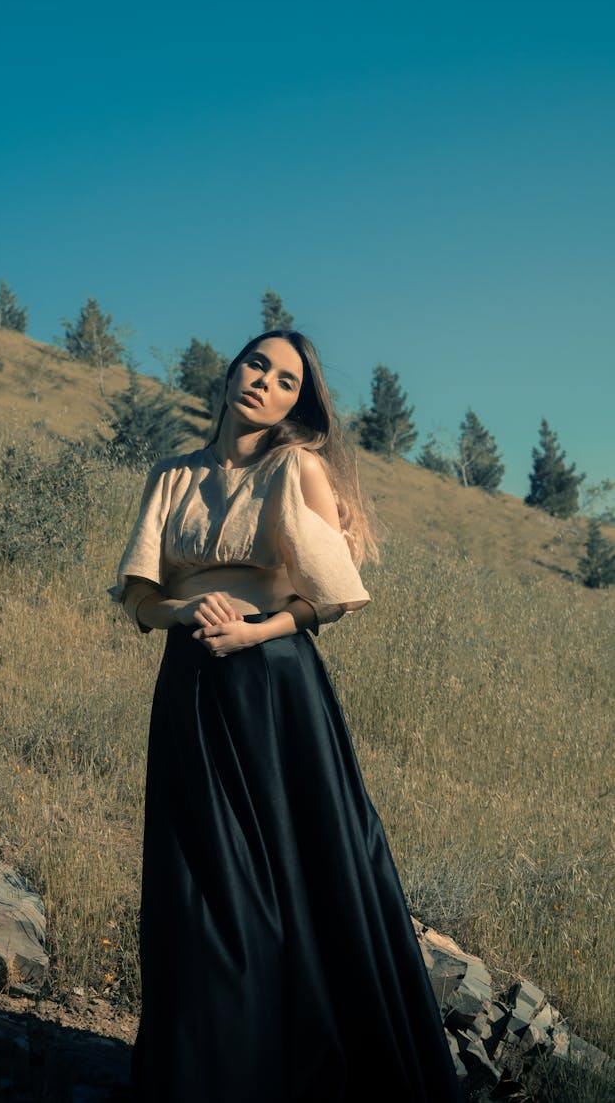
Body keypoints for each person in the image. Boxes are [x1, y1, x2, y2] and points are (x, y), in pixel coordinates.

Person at [111, 331, 462, 1102]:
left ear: (296, 403)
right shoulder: (171, 475)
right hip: (191, 689)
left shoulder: (294, 467)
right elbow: (137, 595)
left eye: (285, 379)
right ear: (233, 372)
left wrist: (252, 630)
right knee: (200, 884)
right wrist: (184, 609)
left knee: (302, 879)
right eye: (256, 366)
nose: (264, 382)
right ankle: (206, 1074)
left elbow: (324, 596)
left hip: (274, 689)